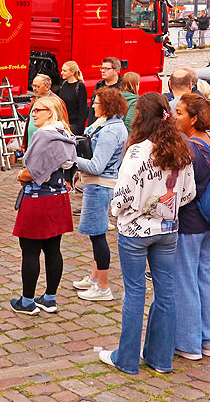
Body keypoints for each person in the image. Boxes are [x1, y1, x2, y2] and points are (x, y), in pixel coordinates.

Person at [98, 93, 196, 375]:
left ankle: (127, 359)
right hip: (167, 229)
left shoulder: (138, 151)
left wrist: (117, 211)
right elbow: (188, 193)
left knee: (135, 293)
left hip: (135, 230)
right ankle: (160, 358)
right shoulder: (181, 148)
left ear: (141, 117)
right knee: (166, 292)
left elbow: (123, 193)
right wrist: (167, 209)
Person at [11, 95, 75, 315]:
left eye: (39, 110)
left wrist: (21, 174)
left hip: (38, 199)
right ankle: (49, 298)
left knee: (30, 251)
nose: (33, 114)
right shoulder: (64, 134)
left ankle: (27, 301)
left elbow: (33, 171)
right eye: (33, 110)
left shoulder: (43, 135)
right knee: (53, 249)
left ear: (51, 112)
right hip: (58, 197)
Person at [173, 94, 210, 361]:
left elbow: (181, 191)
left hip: (190, 221)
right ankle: (208, 339)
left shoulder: (188, 148)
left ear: (193, 119)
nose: (175, 116)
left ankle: (189, 343)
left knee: (186, 281)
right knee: (207, 277)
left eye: (179, 113)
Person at [72, 88, 129, 301]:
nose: (93, 106)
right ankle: (95, 278)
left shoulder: (109, 131)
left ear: (106, 106)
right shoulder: (108, 124)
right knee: (97, 234)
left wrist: (71, 158)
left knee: (97, 236)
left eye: (96, 103)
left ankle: (103, 287)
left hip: (100, 185)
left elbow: (97, 166)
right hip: (99, 185)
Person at [56, 61, 88, 135]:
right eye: (62, 70)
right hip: (62, 123)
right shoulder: (63, 84)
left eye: (64, 71)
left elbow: (83, 109)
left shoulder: (80, 86)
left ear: (72, 72)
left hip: (73, 125)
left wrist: (80, 130)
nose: (61, 73)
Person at [25, 73, 58, 144]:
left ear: (47, 87)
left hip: (46, 146)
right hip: (31, 145)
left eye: (37, 86)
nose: (34, 89)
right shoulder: (34, 99)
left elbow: (63, 124)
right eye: (33, 86)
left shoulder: (56, 102)